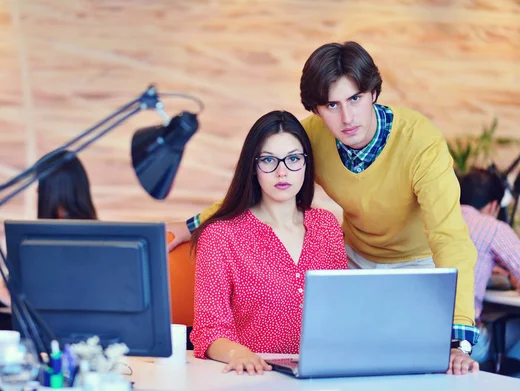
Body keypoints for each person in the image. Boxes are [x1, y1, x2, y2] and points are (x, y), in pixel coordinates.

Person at [169, 41, 479, 375]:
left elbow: (450, 237)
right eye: (331, 104)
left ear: (374, 93)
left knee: (417, 369)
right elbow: (254, 181)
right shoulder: (310, 139)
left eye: (355, 99)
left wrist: (458, 338)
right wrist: (190, 225)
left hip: (416, 263)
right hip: (355, 260)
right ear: (316, 109)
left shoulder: (420, 142)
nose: (347, 118)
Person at [190, 110, 347, 375]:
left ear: (307, 164)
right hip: (256, 377)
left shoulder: (326, 225)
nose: (282, 172)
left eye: (293, 159)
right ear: (253, 166)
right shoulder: (220, 236)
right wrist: (237, 353)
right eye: (268, 160)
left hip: (326, 374)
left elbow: (341, 311)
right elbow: (209, 330)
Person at [0, 150, 97, 306]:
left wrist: (3, 295)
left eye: (41, 186)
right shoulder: (95, 234)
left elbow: (52, 303)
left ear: (52, 190)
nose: (37, 191)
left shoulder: (59, 239)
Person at [459, 168, 520, 372]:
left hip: (428, 338)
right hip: (465, 345)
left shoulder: (436, 220)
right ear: (494, 205)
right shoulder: (492, 227)